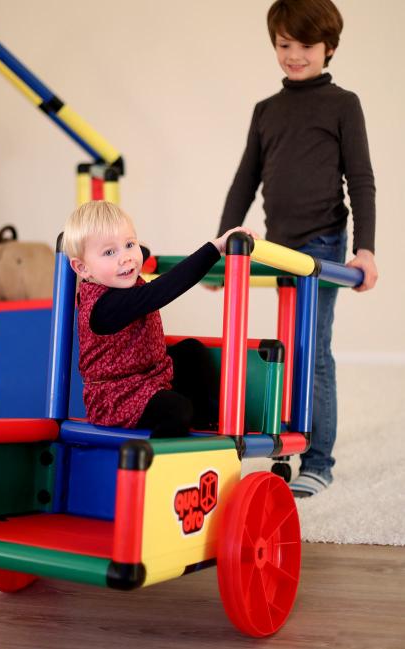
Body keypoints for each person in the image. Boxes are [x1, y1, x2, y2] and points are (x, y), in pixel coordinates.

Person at [216, 0, 378, 496]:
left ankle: (318, 460)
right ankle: (284, 440)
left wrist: (366, 250)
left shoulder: (342, 104)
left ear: (327, 47)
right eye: (284, 44)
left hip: (324, 241)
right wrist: (221, 241)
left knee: (313, 349)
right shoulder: (266, 110)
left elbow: (362, 180)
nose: (293, 54)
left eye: (304, 45)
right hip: (279, 245)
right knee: (284, 348)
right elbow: (245, 180)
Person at [63, 200, 257, 438]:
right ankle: (155, 460)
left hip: (150, 377)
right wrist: (215, 248)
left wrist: (137, 250)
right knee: (177, 410)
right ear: (82, 269)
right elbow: (163, 289)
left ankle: (209, 416)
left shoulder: (116, 275)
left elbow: (140, 253)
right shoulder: (105, 306)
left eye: (128, 244)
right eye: (109, 252)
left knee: (191, 350)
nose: (125, 258)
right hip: (116, 397)